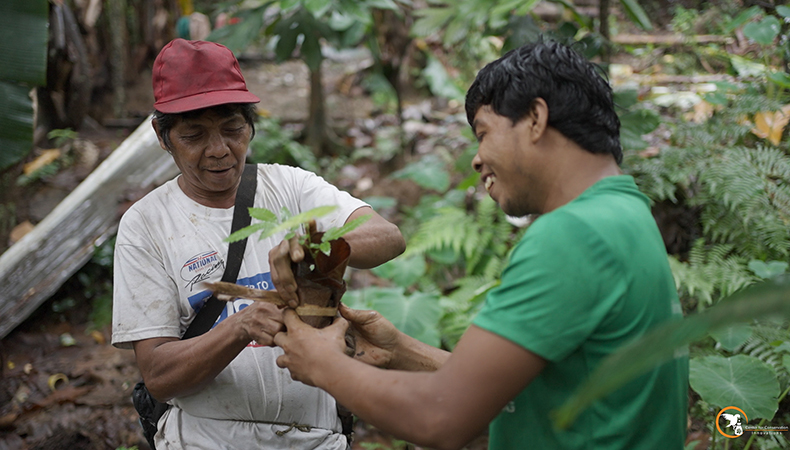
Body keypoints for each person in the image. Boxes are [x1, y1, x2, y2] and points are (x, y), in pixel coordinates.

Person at [273, 40, 689, 450]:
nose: (476, 159)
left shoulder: (572, 234)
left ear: (536, 118)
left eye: (484, 133)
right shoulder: (625, 213)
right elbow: (522, 388)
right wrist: (401, 351)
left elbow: (442, 418)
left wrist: (322, 364)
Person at [110, 38, 406, 450]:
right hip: (208, 440)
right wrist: (240, 326)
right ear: (164, 137)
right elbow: (159, 376)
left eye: (232, 129)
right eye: (194, 135)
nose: (219, 150)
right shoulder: (146, 225)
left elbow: (388, 237)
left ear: (251, 124)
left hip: (316, 437)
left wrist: (320, 247)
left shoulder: (290, 187)